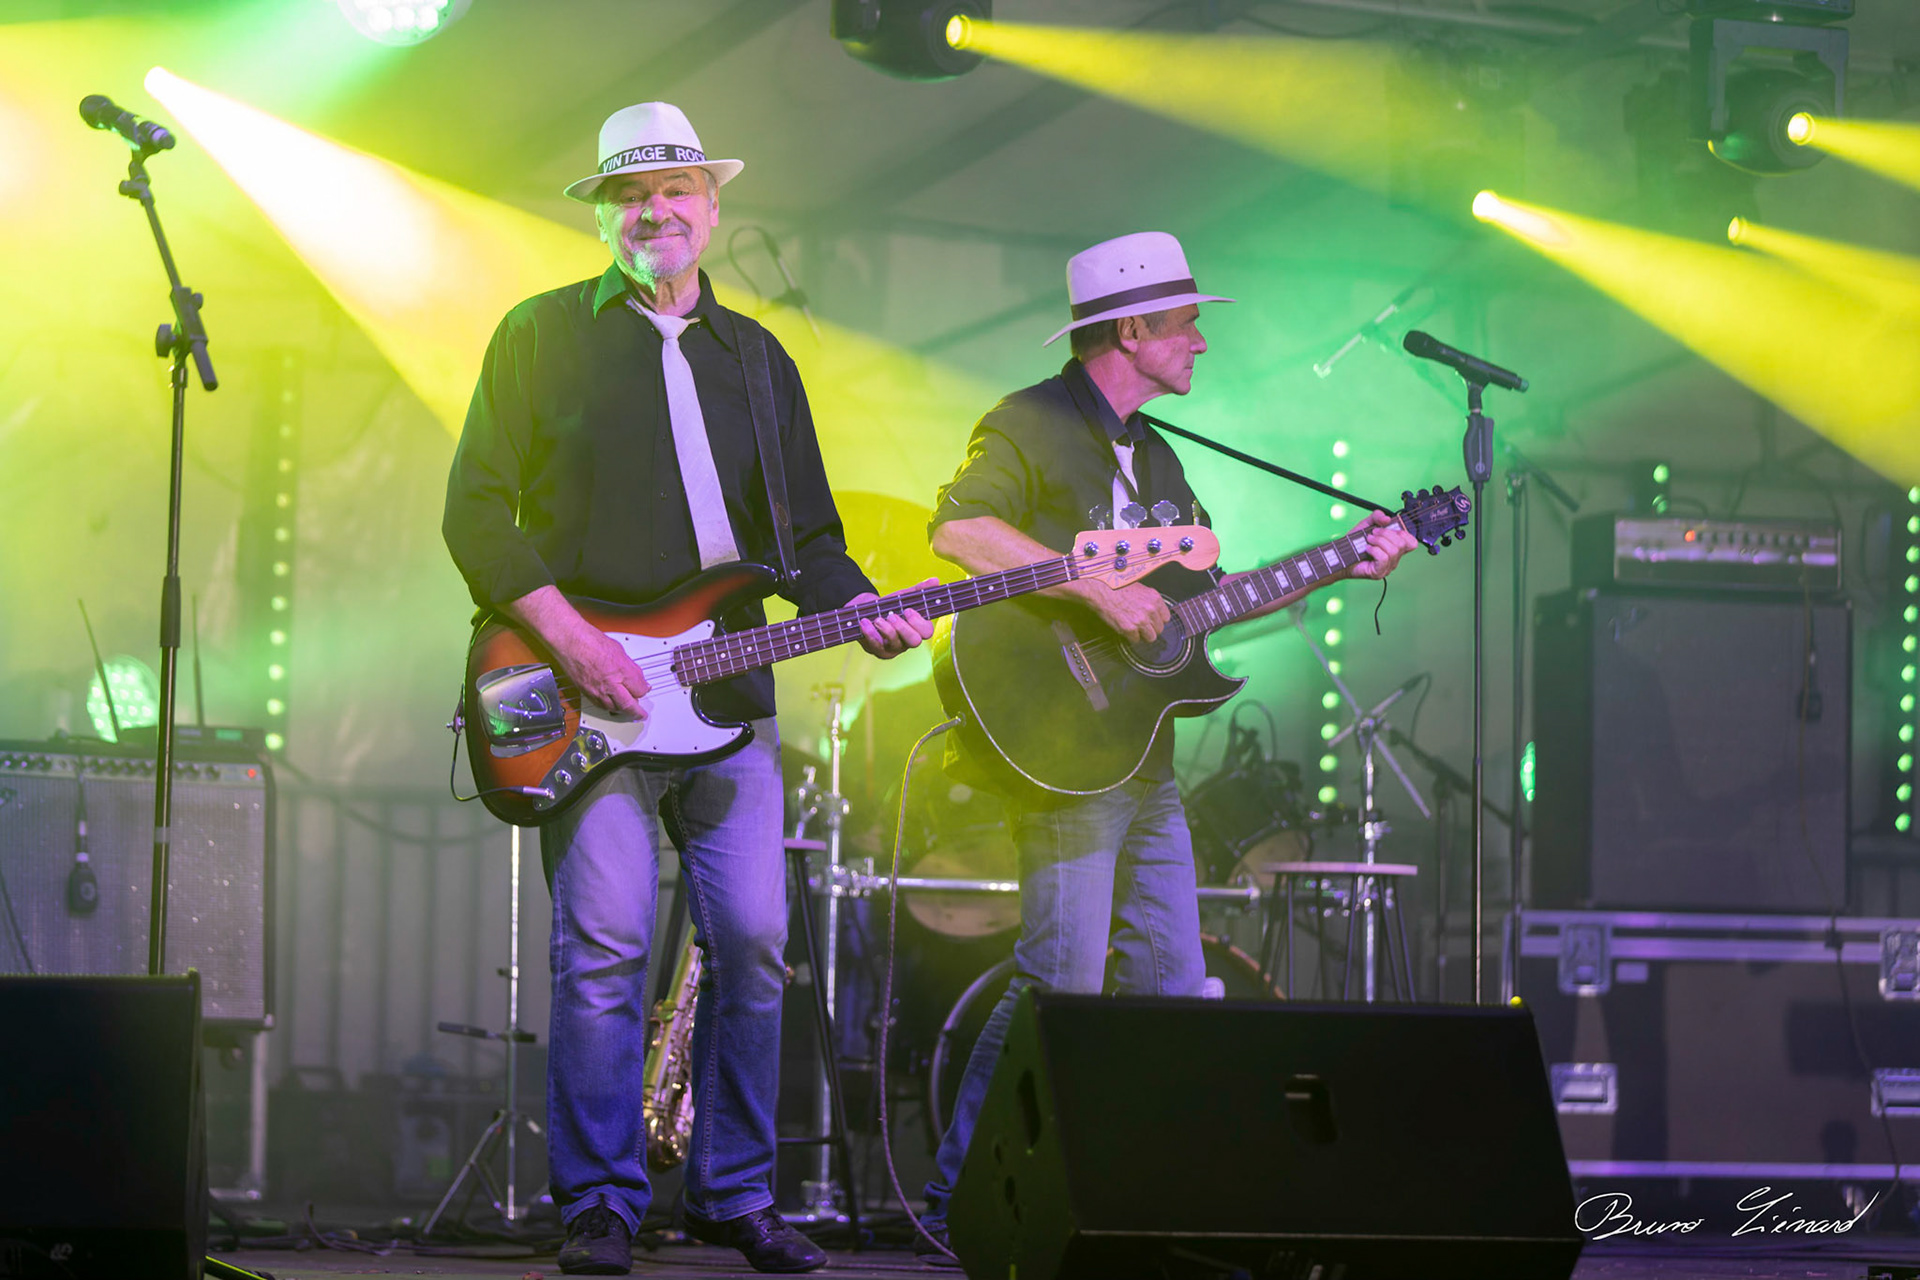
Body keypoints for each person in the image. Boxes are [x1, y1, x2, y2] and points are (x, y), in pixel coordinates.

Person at [442, 102, 932, 1277]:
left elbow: (808, 538)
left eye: (676, 191)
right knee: (603, 947)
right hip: (586, 686)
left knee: (757, 941)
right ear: (604, 213)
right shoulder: (539, 334)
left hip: (728, 690)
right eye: (629, 196)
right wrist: (569, 641)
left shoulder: (758, 360)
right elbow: (473, 510)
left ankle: (732, 1192)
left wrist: (863, 604)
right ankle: (603, 1200)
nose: (655, 211)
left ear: (714, 207)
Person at [914, 231, 1418, 1265]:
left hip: (1139, 759)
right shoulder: (1029, 422)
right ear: (1133, 329)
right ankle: (953, 1193)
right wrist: (1096, 586)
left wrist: (1339, 565)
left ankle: (1146, 1199)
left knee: (1170, 984)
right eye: (1186, 324)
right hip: (1059, 743)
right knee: (1057, 983)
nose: (1199, 343)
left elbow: (1194, 612)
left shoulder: (1161, 455)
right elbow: (961, 531)